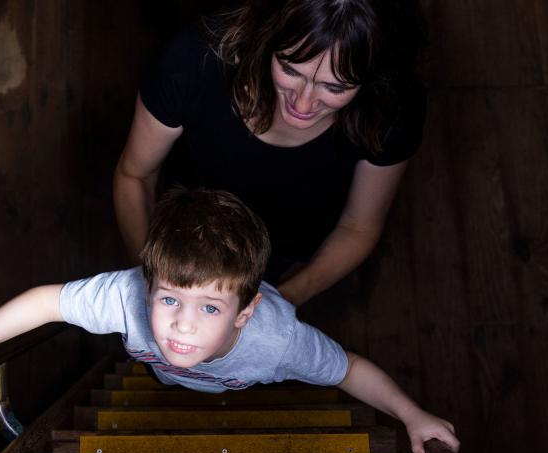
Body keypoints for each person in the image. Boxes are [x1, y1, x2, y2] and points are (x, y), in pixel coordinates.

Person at [0, 189, 458, 453]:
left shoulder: (278, 341)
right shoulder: (129, 295)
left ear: (243, 315)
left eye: (209, 308)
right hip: (169, 377)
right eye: (169, 298)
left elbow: (349, 370)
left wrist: (411, 415)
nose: (180, 324)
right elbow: (48, 302)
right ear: (151, 285)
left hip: (257, 345)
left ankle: (281, 275)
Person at [114, 0, 425, 306]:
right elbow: (135, 176)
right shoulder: (193, 60)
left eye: (335, 88)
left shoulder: (391, 105)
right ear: (266, 36)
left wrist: (282, 302)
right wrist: (151, 283)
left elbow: (358, 226)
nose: (302, 105)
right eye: (290, 69)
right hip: (186, 232)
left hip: (298, 254)